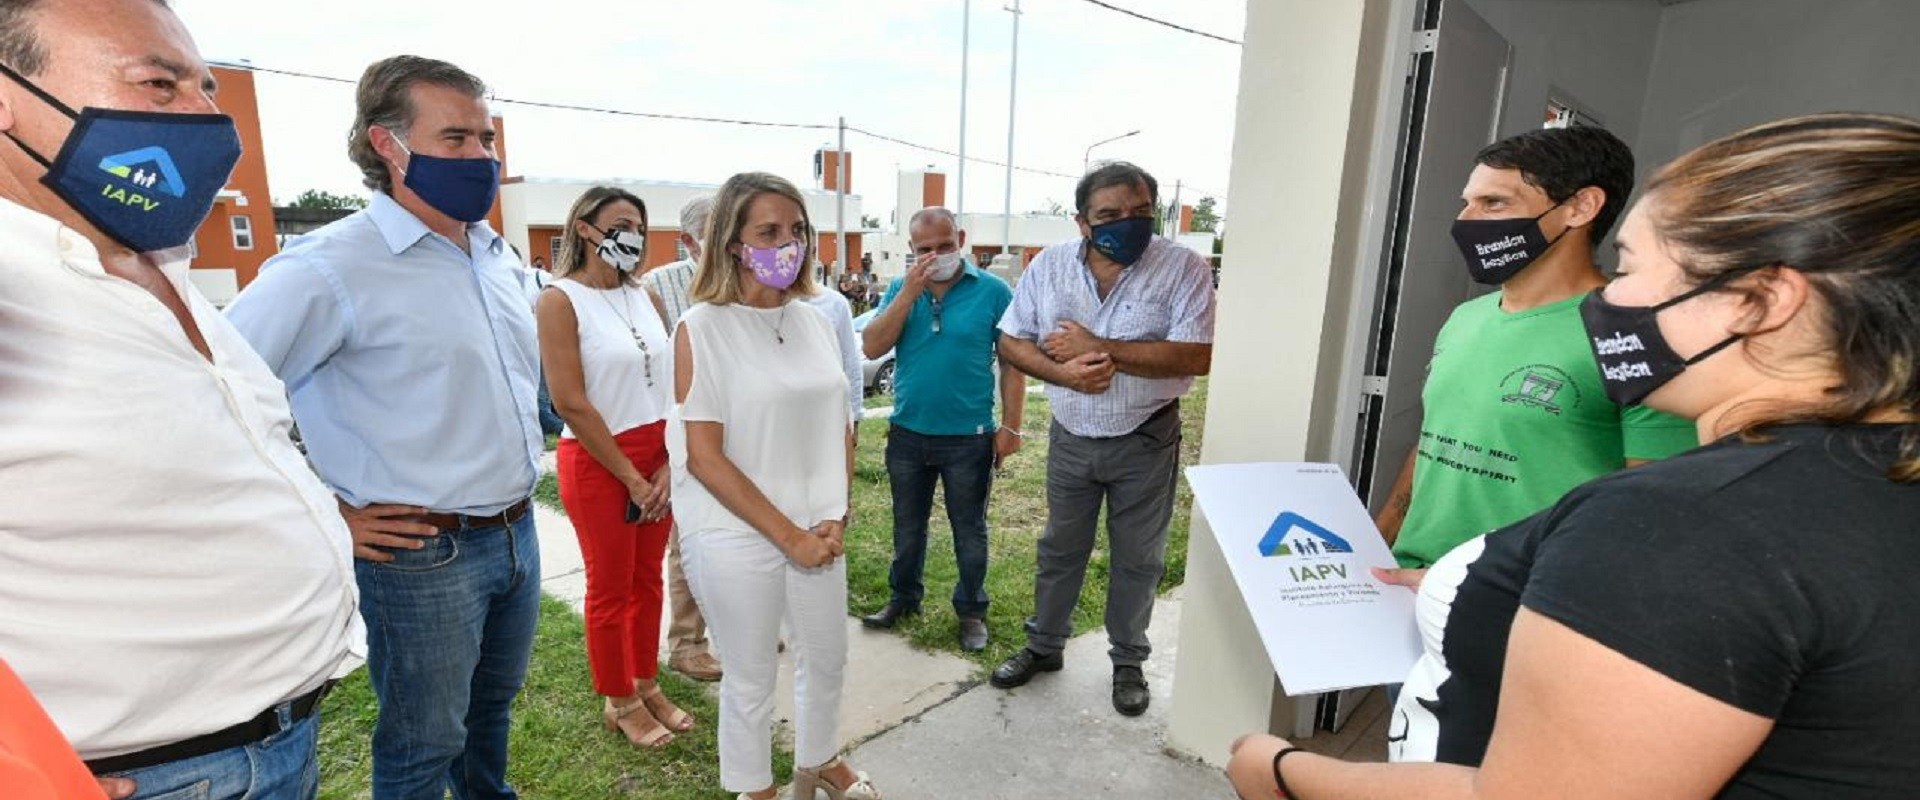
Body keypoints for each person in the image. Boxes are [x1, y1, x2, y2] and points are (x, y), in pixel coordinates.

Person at [1227, 112, 1920, 800]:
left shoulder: (1677, 530)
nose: (1613, 298)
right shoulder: (1860, 477)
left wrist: (1280, 771)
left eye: (1632, 266)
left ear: (1760, 300)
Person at [0, 2, 362, 799]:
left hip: (278, 744)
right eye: (158, 85)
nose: (208, 119)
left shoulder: (157, 260)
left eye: (203, 87)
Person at [226, 56, 542, 800]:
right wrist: (326, 512)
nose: (482, 158)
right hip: (423, 554)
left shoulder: (496, 257)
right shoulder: (327, 267)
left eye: (487, 139)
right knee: (423, 741)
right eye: (456, 138)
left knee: (488, 715)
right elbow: (218, 396)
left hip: (516, 533)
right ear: (387, 145)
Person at [1373, 126, 1697, 573]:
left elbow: (1650, 511)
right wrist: (1380, 535)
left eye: (1495, 203)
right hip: (1407, 581)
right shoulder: (1466, 318)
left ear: (1580, 208)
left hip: (1519, 605)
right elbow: (1438, 439)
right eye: (1467, 202)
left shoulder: (1634, 335)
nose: (1467, 221)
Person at [668, 172, 880, 800]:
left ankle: (818, 761)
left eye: (796, 230)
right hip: (737, 533)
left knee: (828, 658)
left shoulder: (814, 320)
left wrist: (835, 514)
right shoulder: (701, 328)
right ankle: (754, 789)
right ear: (732, 242)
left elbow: (840, 422)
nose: (787, 244)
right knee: (753, 676)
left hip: (817, 527)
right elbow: (704, 456)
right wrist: (789, 535)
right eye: (769, 231)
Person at [989, 162, 1215, 717]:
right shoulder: (1049, 269)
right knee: (1059, 548)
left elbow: (1197, 354)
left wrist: (1100, 346)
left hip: (1145, 436)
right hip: (1071, 436)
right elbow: (1010, 341)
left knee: (1139, 557)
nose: (1128, 223)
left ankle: (1129, 661)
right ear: (1083, 221)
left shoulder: (1183, 268)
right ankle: (1044, 645)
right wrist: (1066, 374)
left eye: (1140, 212)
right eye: (1110, 214)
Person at [538, 186, 697, 748]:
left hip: (657, 455)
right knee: (609, 587)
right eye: (621, 223)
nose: (633, 234)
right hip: (601, 459)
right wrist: (630, 476)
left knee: (646, 577)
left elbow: (675, 380)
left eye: (639, 224)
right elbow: (569, 401)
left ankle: (647, 683)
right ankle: (619, 698)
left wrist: (668, 463)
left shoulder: (644, 294)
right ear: (584, 229)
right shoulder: (559, 300)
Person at [858, 207, 1023, 652]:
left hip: (968, 437)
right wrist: (908, 294)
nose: (936, 256)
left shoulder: (992, 291)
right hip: (908, 433)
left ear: (961, 239)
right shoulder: (899, 289)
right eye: (925, 249)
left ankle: (971, 609)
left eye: (945, 246)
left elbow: (1013, 364)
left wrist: (1012, 426)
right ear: (912, 251)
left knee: (969, 529)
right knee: (907, 528)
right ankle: (904, 598)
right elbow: (871, 345)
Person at [639, 194, 723, 682]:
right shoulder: (658, 287)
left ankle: (734, 620)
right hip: (684, 431)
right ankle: (687, 644)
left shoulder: (745, 285)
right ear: (688, 241)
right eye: (715, 234)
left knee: (739, 533)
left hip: (739, 427)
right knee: (688, 535)